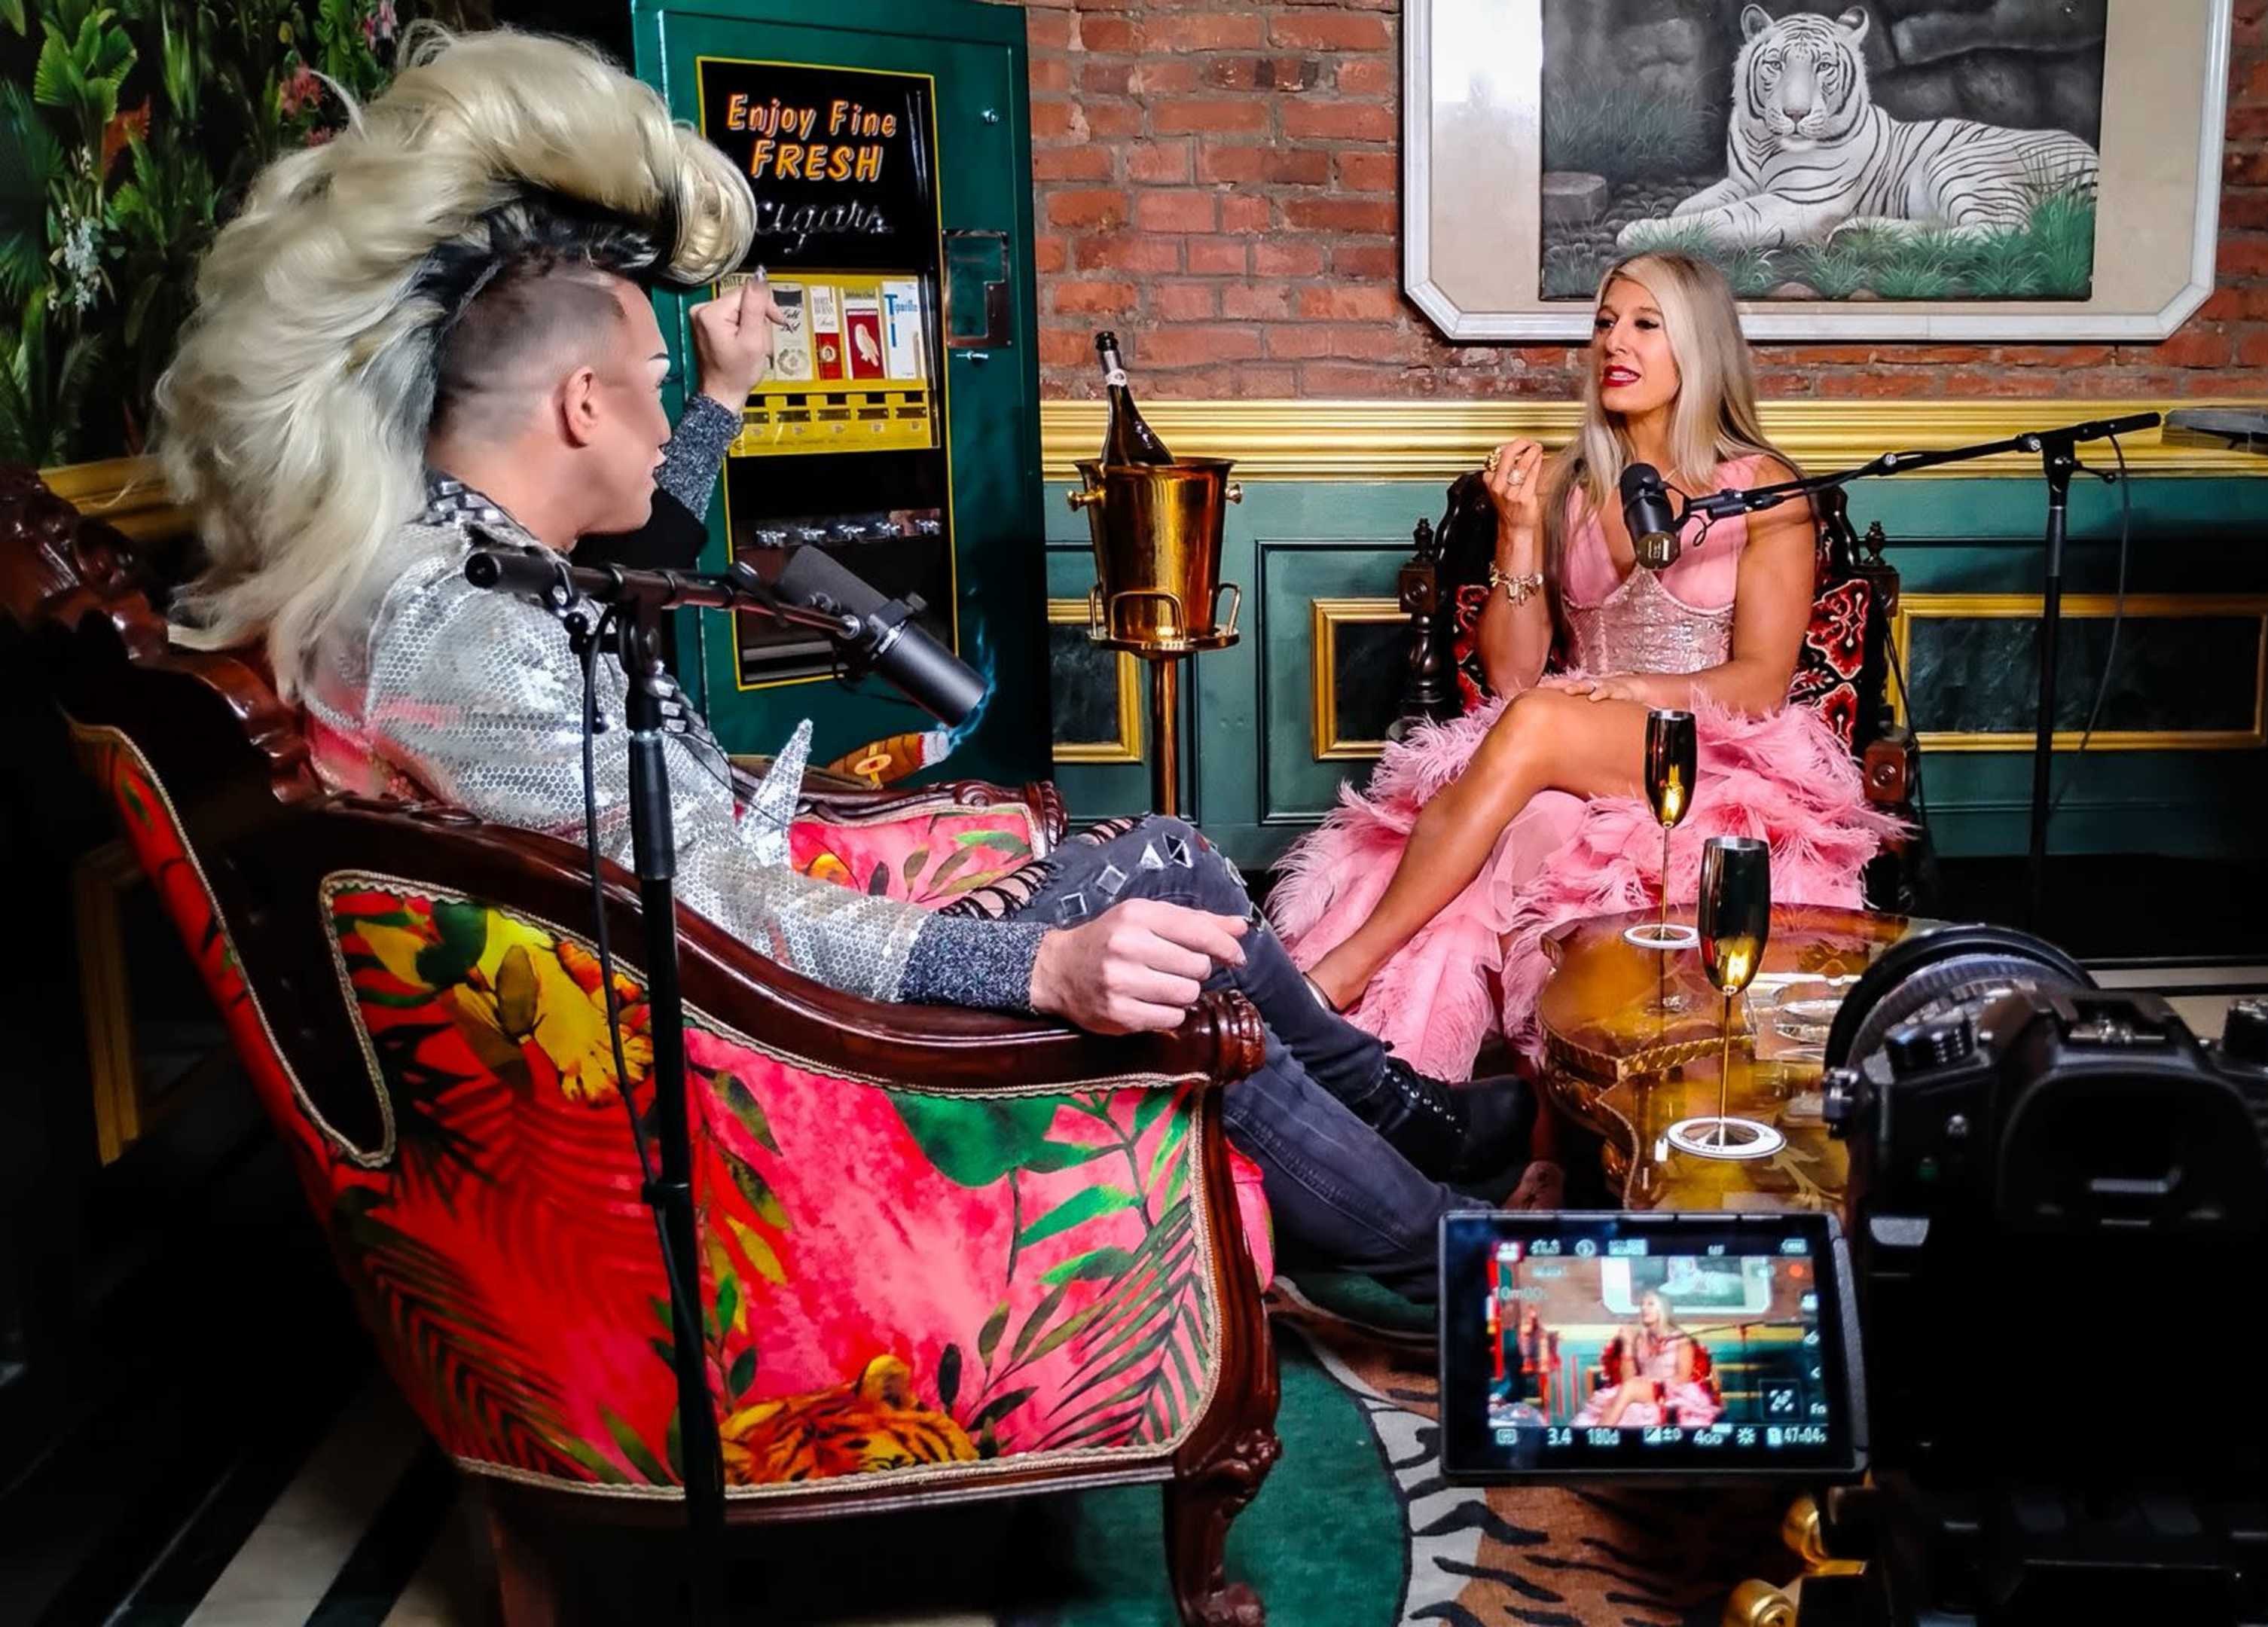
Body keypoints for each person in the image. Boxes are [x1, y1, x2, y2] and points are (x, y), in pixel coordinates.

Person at [150, 27, 1549, 1297]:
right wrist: (1046, 968)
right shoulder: (470, 643)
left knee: (1169, 855)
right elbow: (728, 921)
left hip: (743, 978)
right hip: (773, 1049)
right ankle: (1435, 1242)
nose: (670, 410)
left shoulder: (467, 560)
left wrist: (714, 398)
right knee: (1166, 938)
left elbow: (649, 527)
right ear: (579, 403)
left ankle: (1400, 1118)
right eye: (653, 381)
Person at [1269, 252, 1902, 1078]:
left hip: (1709, 747)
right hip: (1577, 743)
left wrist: (1642, 687)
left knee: (1538, 728)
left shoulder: (1764, 490)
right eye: (1605, 323)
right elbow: (1515, 678)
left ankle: (1342, 973)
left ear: (1699, 346)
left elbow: (1761, 683)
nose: (1615, 342)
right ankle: (1542, 1136)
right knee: (1544, 827)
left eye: (1645, 324)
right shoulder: (1575, 486)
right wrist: (1521, 532)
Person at [1573, 1287, 1720, 1429]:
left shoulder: (1681, 1340)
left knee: (1631, 1388)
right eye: (1642, 1305)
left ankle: (1599, 1433)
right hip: (1643, 1389)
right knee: (1622, 1393)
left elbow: (1683, 1378)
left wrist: (1654, 1384)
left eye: (1650, 1304)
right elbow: (1627, 1379)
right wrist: (1628, 1344)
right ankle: (1600, 1435)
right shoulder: (1640, 1340)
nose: (1644, 1308)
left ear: (1662, 1309)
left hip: (1672, 1390)